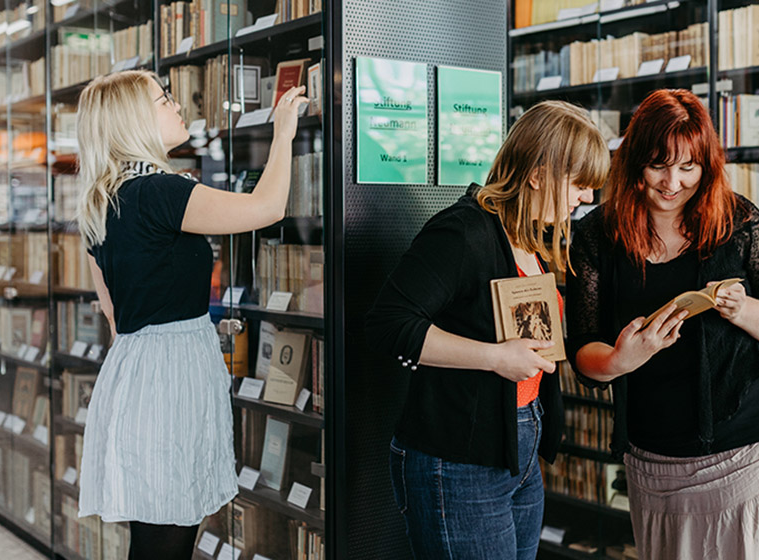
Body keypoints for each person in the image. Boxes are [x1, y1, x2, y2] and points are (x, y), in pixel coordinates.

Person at [567, 89, 759, 560]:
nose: (673, 182)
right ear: (631, 164)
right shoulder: (595, 235)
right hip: (657, 457)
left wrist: (743, 310)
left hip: (756, 446)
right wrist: (623, 358)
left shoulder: (738, 220)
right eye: (658, 165)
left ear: (707, 166)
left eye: (689, 167)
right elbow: (583, 352)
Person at [74, 70, 308, 559]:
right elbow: (266, 208)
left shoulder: (102, 201)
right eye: (164, 100)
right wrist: (283, 131)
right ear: (135, 119)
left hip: (137, 371)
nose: (176, 106)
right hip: (172, 375)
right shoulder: (160, 191)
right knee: (170, 535)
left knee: (156, 532)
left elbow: (114, 313)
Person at [366, 100, 609, 560]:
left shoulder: (530, 236)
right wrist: (496, 357)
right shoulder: (462, 232)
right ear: (538, 173)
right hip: (458, 459)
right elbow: (388, 325)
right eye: (578, 184)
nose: (587, 199)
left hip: (518, 450)